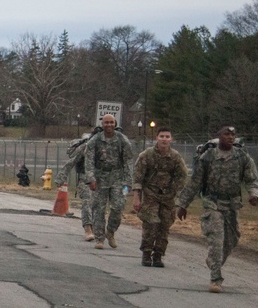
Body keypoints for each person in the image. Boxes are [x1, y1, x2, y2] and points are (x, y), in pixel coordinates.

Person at [176, 126, 258, 293]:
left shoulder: (241, 157)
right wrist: (183, 204)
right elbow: (195, 182)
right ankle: (216, 279)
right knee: (216, 240)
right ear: (218, 137)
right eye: (226, 134)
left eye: (232, 135)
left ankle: (214, 261)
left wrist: (254, 194)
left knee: (232, 240)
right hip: (212, 203)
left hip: (232, 205)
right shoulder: (208, 157)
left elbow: (252, 179)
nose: (230, 137)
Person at [131, 126, 188, 267]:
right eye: (162, 136)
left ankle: (158, 255)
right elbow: (138, 177)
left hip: (168, 197)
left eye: (167, 137)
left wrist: (179, 196)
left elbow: (182, 176)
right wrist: (137, 197)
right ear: (157, 138)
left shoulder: (175, 157)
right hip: (150, 195)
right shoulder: (147, 155)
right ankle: (146, 253)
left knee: (164, 225)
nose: (164, 139)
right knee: (151, 224)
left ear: (171, 139)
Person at [84, 114, 135, 250]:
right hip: (99, 179)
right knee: (98, 209)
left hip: (118, 179)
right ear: (102, 124)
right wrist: (91, 179)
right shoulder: (95, 140)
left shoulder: (122, 139)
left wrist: (128, 182)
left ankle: (110, 232)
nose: (109, 125)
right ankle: (99, 238)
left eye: (111, 122)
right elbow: (88, 161)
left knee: (118, 206)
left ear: (115, 123)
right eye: (106, 122)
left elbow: (129, 160)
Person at [56, 132, 97, 241]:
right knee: (87, 201)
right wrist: (61, 178)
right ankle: (88, 228)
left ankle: (98, 228)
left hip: (101, 180)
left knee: (98, 205)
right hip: (85, 179)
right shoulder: (86, 147)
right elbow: (71, 162)